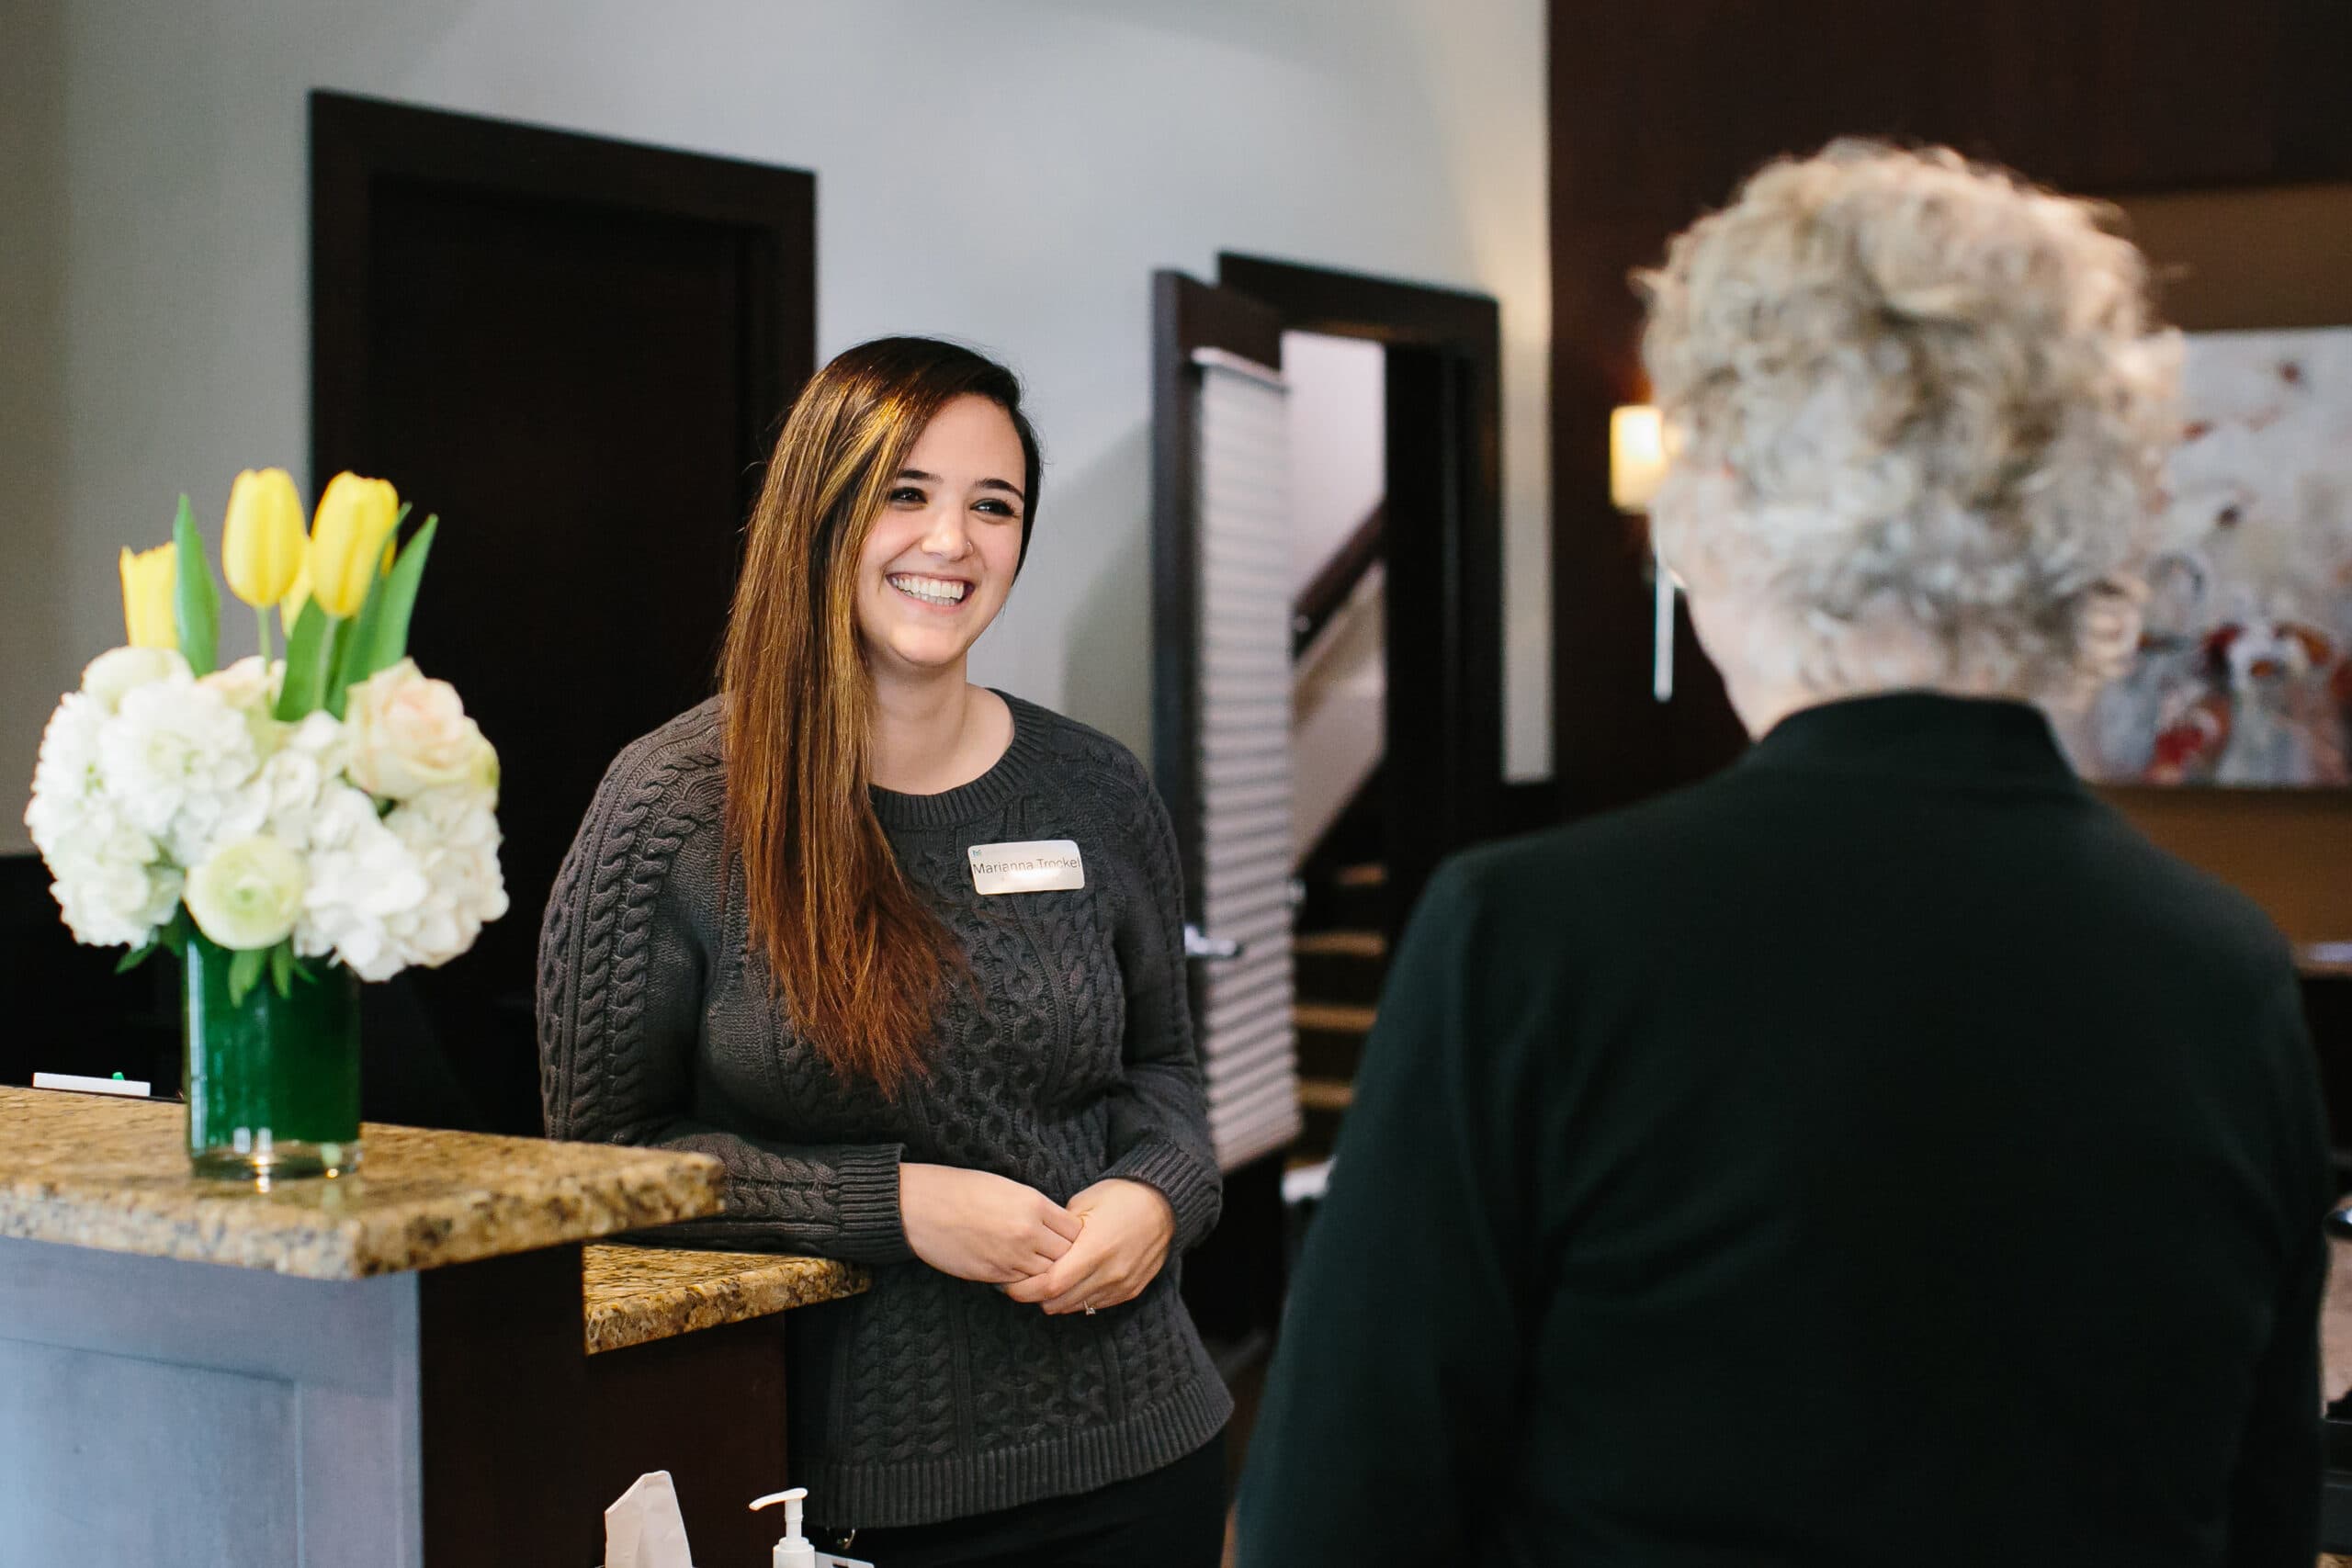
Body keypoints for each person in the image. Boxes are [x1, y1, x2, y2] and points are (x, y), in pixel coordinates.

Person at [1238, 142, 2331, 1564]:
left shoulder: (1533, 940)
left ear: (1730, 508)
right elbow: (2259, 1514)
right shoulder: (2225, 973)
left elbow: (1337, 1522)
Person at [539, 338, 1230, 1567]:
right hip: (839, 1498)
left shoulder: (1096, 787)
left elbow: (1168, 1076)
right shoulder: (674, 807)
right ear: (820, 511)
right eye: (904, 494)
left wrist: (1155, 1196)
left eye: (993, 506)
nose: (950, 543)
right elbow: (603, 1167)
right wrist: (894, 1205)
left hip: (1140, 1453)